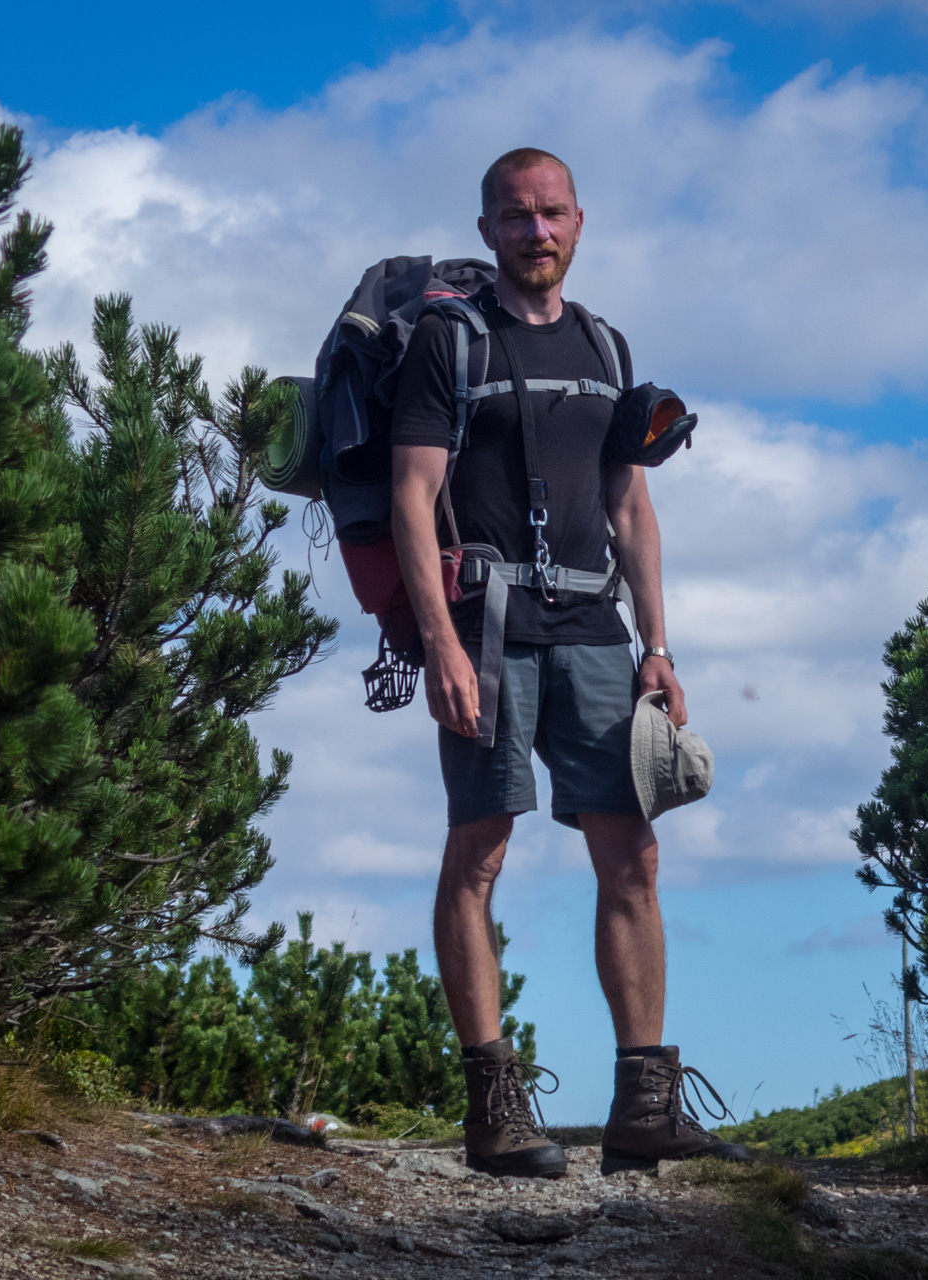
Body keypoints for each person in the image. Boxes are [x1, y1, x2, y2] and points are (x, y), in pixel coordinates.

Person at [389, 148, 750, 1178]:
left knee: (630, 854)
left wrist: (660, 647)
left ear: (579, 222)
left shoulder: (605, 344)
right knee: (480, 852)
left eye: (550, 215)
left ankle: (643, 1105)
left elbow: (633, 506)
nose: (535, 232)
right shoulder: (446, 343)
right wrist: (440, 643)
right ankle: (494, 1106)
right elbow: (413, 500)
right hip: (488, 629)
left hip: (596, 631)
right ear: (488, 229)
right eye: (515, 217)